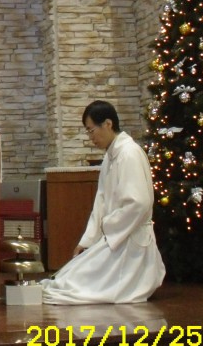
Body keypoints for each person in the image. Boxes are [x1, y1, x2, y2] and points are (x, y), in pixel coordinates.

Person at [40, 100, 165, 304]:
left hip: (129, 240)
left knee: (77, 285)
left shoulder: (129, 153)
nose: (91, 138)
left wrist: (108, 227)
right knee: (66, 278)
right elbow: (101, 201)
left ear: (108, 124)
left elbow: (139, 203)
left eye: (91, 131)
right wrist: (88, 240)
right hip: (115, 236)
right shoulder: (110, 156)